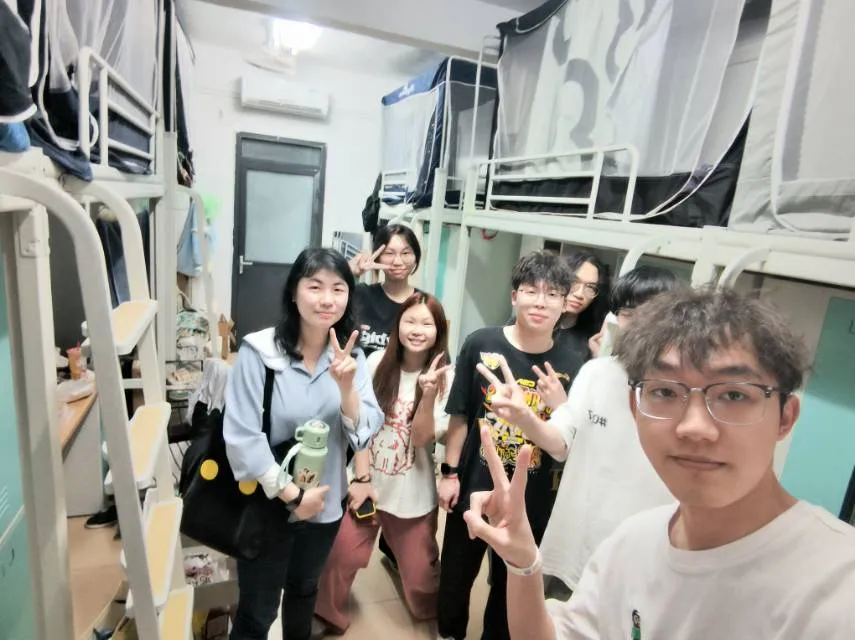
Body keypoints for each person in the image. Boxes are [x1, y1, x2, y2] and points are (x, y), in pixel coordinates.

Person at [463, 288, 855, 639]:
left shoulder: (837, 585)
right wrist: (523, 563)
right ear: (635, 408)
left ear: (786, 417)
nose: (694, 426)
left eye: (734, 395)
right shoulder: (632, 543)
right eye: (666, 391)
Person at [483, 266, 682, 599]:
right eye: (629, 313)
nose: (639, 325)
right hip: (572, 546)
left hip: (641, 560)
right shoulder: (597, 373)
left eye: (653, 313)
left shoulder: (686, 391)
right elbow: (560, 442)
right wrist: (525, 418)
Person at [223, 248, 384, 640]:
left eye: (338, 289)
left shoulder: (352, 358)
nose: (327, 299)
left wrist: (346, 388)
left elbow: (364, 432)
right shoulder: (259, 353)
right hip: (267, 503)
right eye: (315, 287)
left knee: (304, 591)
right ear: (294, 293)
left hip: (325, 505)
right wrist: (294, 496)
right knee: (257, 610)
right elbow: (243, 437)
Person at [437, 250, 589, 640]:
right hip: (474, 488)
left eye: (552, 294)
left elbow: (570, 441)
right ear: (514, 296)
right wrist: (449, 473)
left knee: (511, 591)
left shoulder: (576, 362)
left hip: (532, 501)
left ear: (565, 304)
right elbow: (459, 415)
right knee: (455, 578)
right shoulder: (481, 343)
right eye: (531, 291)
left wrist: (562, 405)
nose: (540, 302)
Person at [314, 292, 453, 631]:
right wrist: (361, 479)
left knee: (421, 579)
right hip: (368, 484)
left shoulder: (446, 378)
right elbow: (357, 422)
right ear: (397, 325)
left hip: (413, 494)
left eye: (426, 323)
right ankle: (326, 615)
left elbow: (421, 439)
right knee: (340, 556)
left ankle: (427, 612)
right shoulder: (376, 363)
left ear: (439, 331)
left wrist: (428, 394)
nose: (417, 330)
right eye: (410, 320)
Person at [348, 223, 423, 571]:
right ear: (376, 253)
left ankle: (392, 547)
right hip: (354, 408)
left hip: (398, 415)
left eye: (405, 252)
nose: (397, 260)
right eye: (389, 252)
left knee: (396, 486)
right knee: (354, 484)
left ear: (416, 258)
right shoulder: (360, 295)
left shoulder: (421, 305)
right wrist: (350, 275)